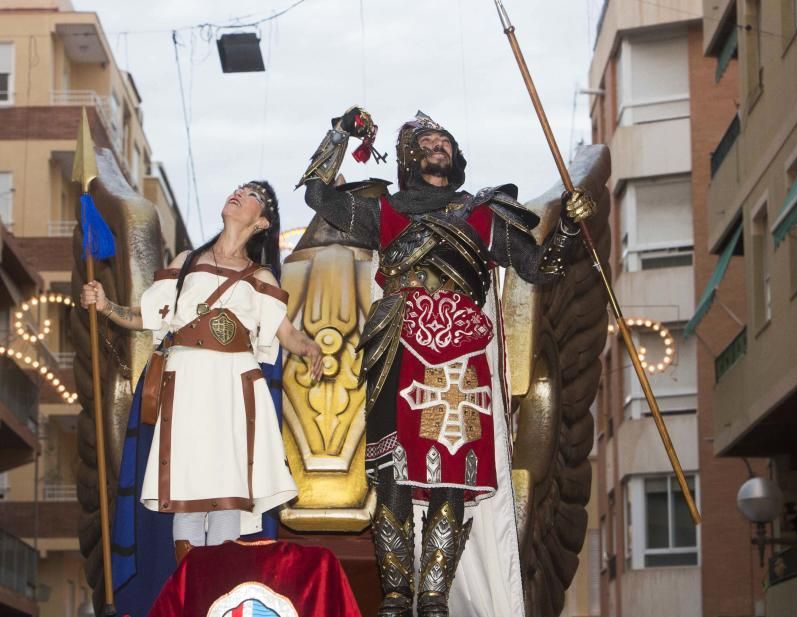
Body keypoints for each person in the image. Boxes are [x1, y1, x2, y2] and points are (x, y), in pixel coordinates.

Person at [299, 109, 596, 616]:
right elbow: (317, 196)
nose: (438, 145)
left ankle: (434, 596)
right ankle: (395, 596)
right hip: (397, 336)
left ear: (457, 157)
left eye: (445, 141)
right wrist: (340, 133)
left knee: (451, 470)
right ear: (410, 155)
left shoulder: (485, 214)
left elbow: (541, 267)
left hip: (459, 346)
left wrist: (568, 225)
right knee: (391, 466)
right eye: (427, 140)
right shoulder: (385, 210)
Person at [81, 180, 323, 562]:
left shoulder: (261, 278)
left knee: (228, 495)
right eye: (238, 189)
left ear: (262, 222)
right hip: (187, 387)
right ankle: (189, 592)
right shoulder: (186, 262)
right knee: (187, 492)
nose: (238, 193)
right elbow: (146, 316)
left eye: (252, 196)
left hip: (235, 391)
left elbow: (287, 333)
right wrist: (106, 305)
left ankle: (216, 594)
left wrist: (310, 347)